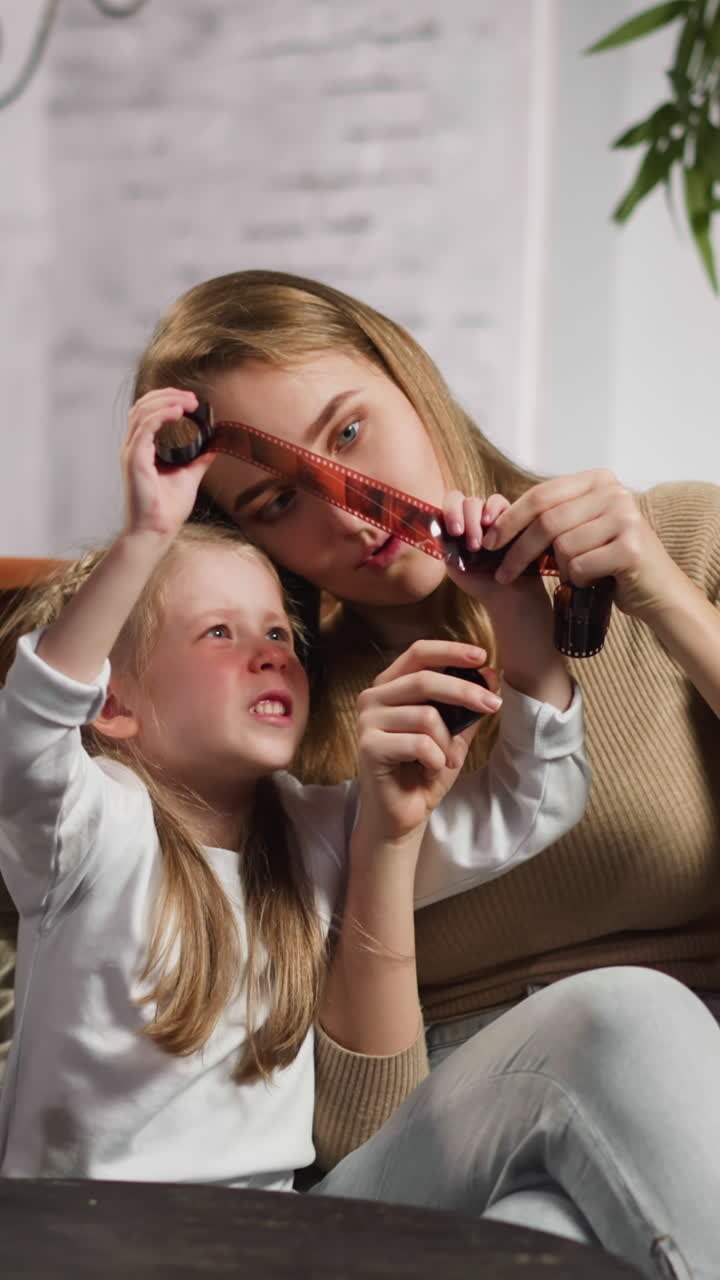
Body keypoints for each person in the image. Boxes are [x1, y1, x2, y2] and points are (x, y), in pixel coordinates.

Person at [127, 269, 720, 1244]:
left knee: (550, 1228)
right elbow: (354, 1138)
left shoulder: (680, 541)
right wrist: (384, 844)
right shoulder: (284, 722)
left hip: (670, 1117)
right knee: (620, 1018)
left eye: (350, 434)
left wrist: (662, 595)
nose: (352, 518)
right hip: (449, 1133)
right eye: (280, 501)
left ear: (406, 369)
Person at [0, 386, 591, 1190]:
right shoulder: (88, 828)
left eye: (279, 631)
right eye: (219, 632)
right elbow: (27, 728)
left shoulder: (319, 830)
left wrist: (516, 613)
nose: (270, 652)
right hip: (85, 1237)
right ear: (113, 703)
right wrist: (146, 537)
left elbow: (529, 806)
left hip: (274, 1237)